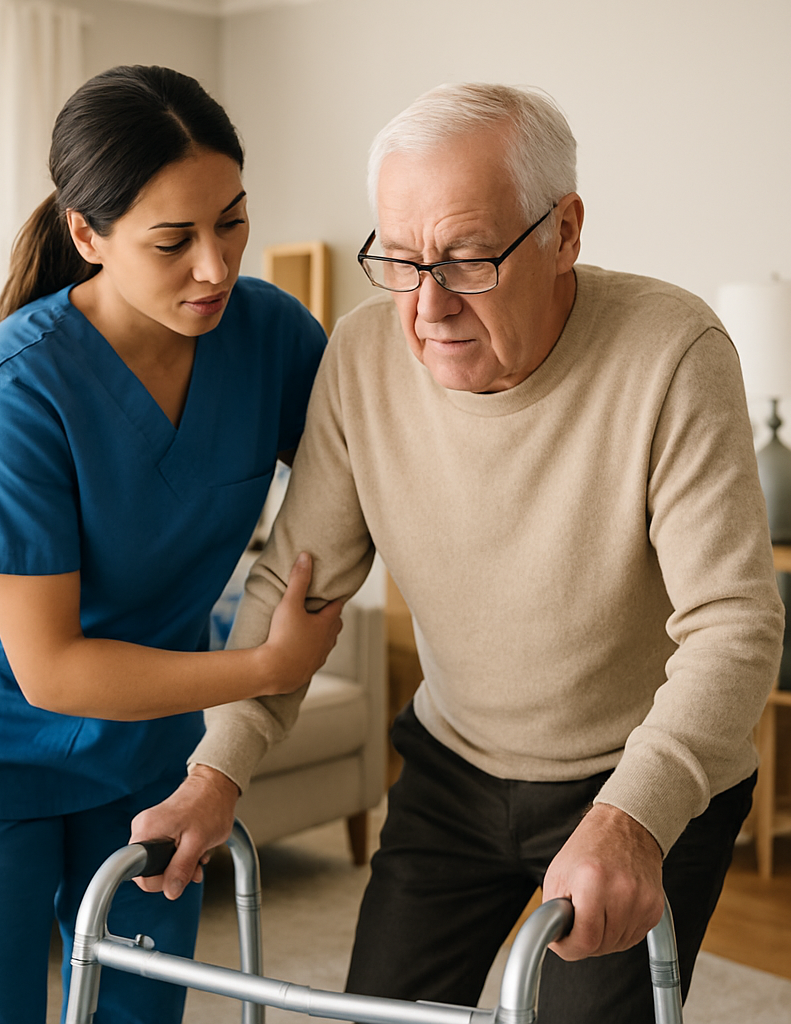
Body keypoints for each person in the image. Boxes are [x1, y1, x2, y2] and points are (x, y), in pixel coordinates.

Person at [131, 83, 786, 1022]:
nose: (427, 305)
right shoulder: (360, 360)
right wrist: (214, 772)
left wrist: (632, 817)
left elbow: (734, 624)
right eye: (398, 260)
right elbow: (296, 582)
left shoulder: (670, 351)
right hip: (455, 768)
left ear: (565, 232)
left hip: (637, 774)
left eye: (467, 259)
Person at [0, 65, 343, 1024]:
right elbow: (51, 669)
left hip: (144, 753)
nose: (216, 266)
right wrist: (266, 665)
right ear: (87, 236)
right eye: (174, 241)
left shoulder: (271, 338)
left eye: (232, 222)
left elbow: (365, 484)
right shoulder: (13, 391)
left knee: (143, 1012)